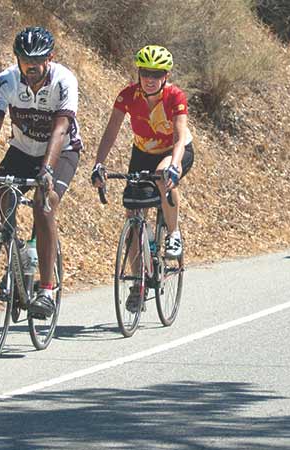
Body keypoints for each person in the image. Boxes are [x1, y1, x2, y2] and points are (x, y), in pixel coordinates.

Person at [0, 26, 82, 320]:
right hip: (23, 149)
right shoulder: (5, 81)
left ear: (49, 58)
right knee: (0, 191)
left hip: (61, 149)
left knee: (45, 202)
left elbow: (61, 127)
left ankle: (47, 290)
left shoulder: (64, 81)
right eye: (24, 60)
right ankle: (15, 257)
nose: (30, 67)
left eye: (37, 61)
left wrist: (48, 169)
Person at [90, 45, 194, 311]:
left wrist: (175, 163)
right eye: (145, 72)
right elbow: (112, 128)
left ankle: (173, 234)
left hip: (174, 149)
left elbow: (180, 135)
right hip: (142, 152)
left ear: (166, 75)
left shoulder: (174, 96)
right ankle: (137, 284)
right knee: (133, 218)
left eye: (156, 73)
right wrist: (98, 163)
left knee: (163, 176)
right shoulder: (127, 95)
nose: (150, 78)